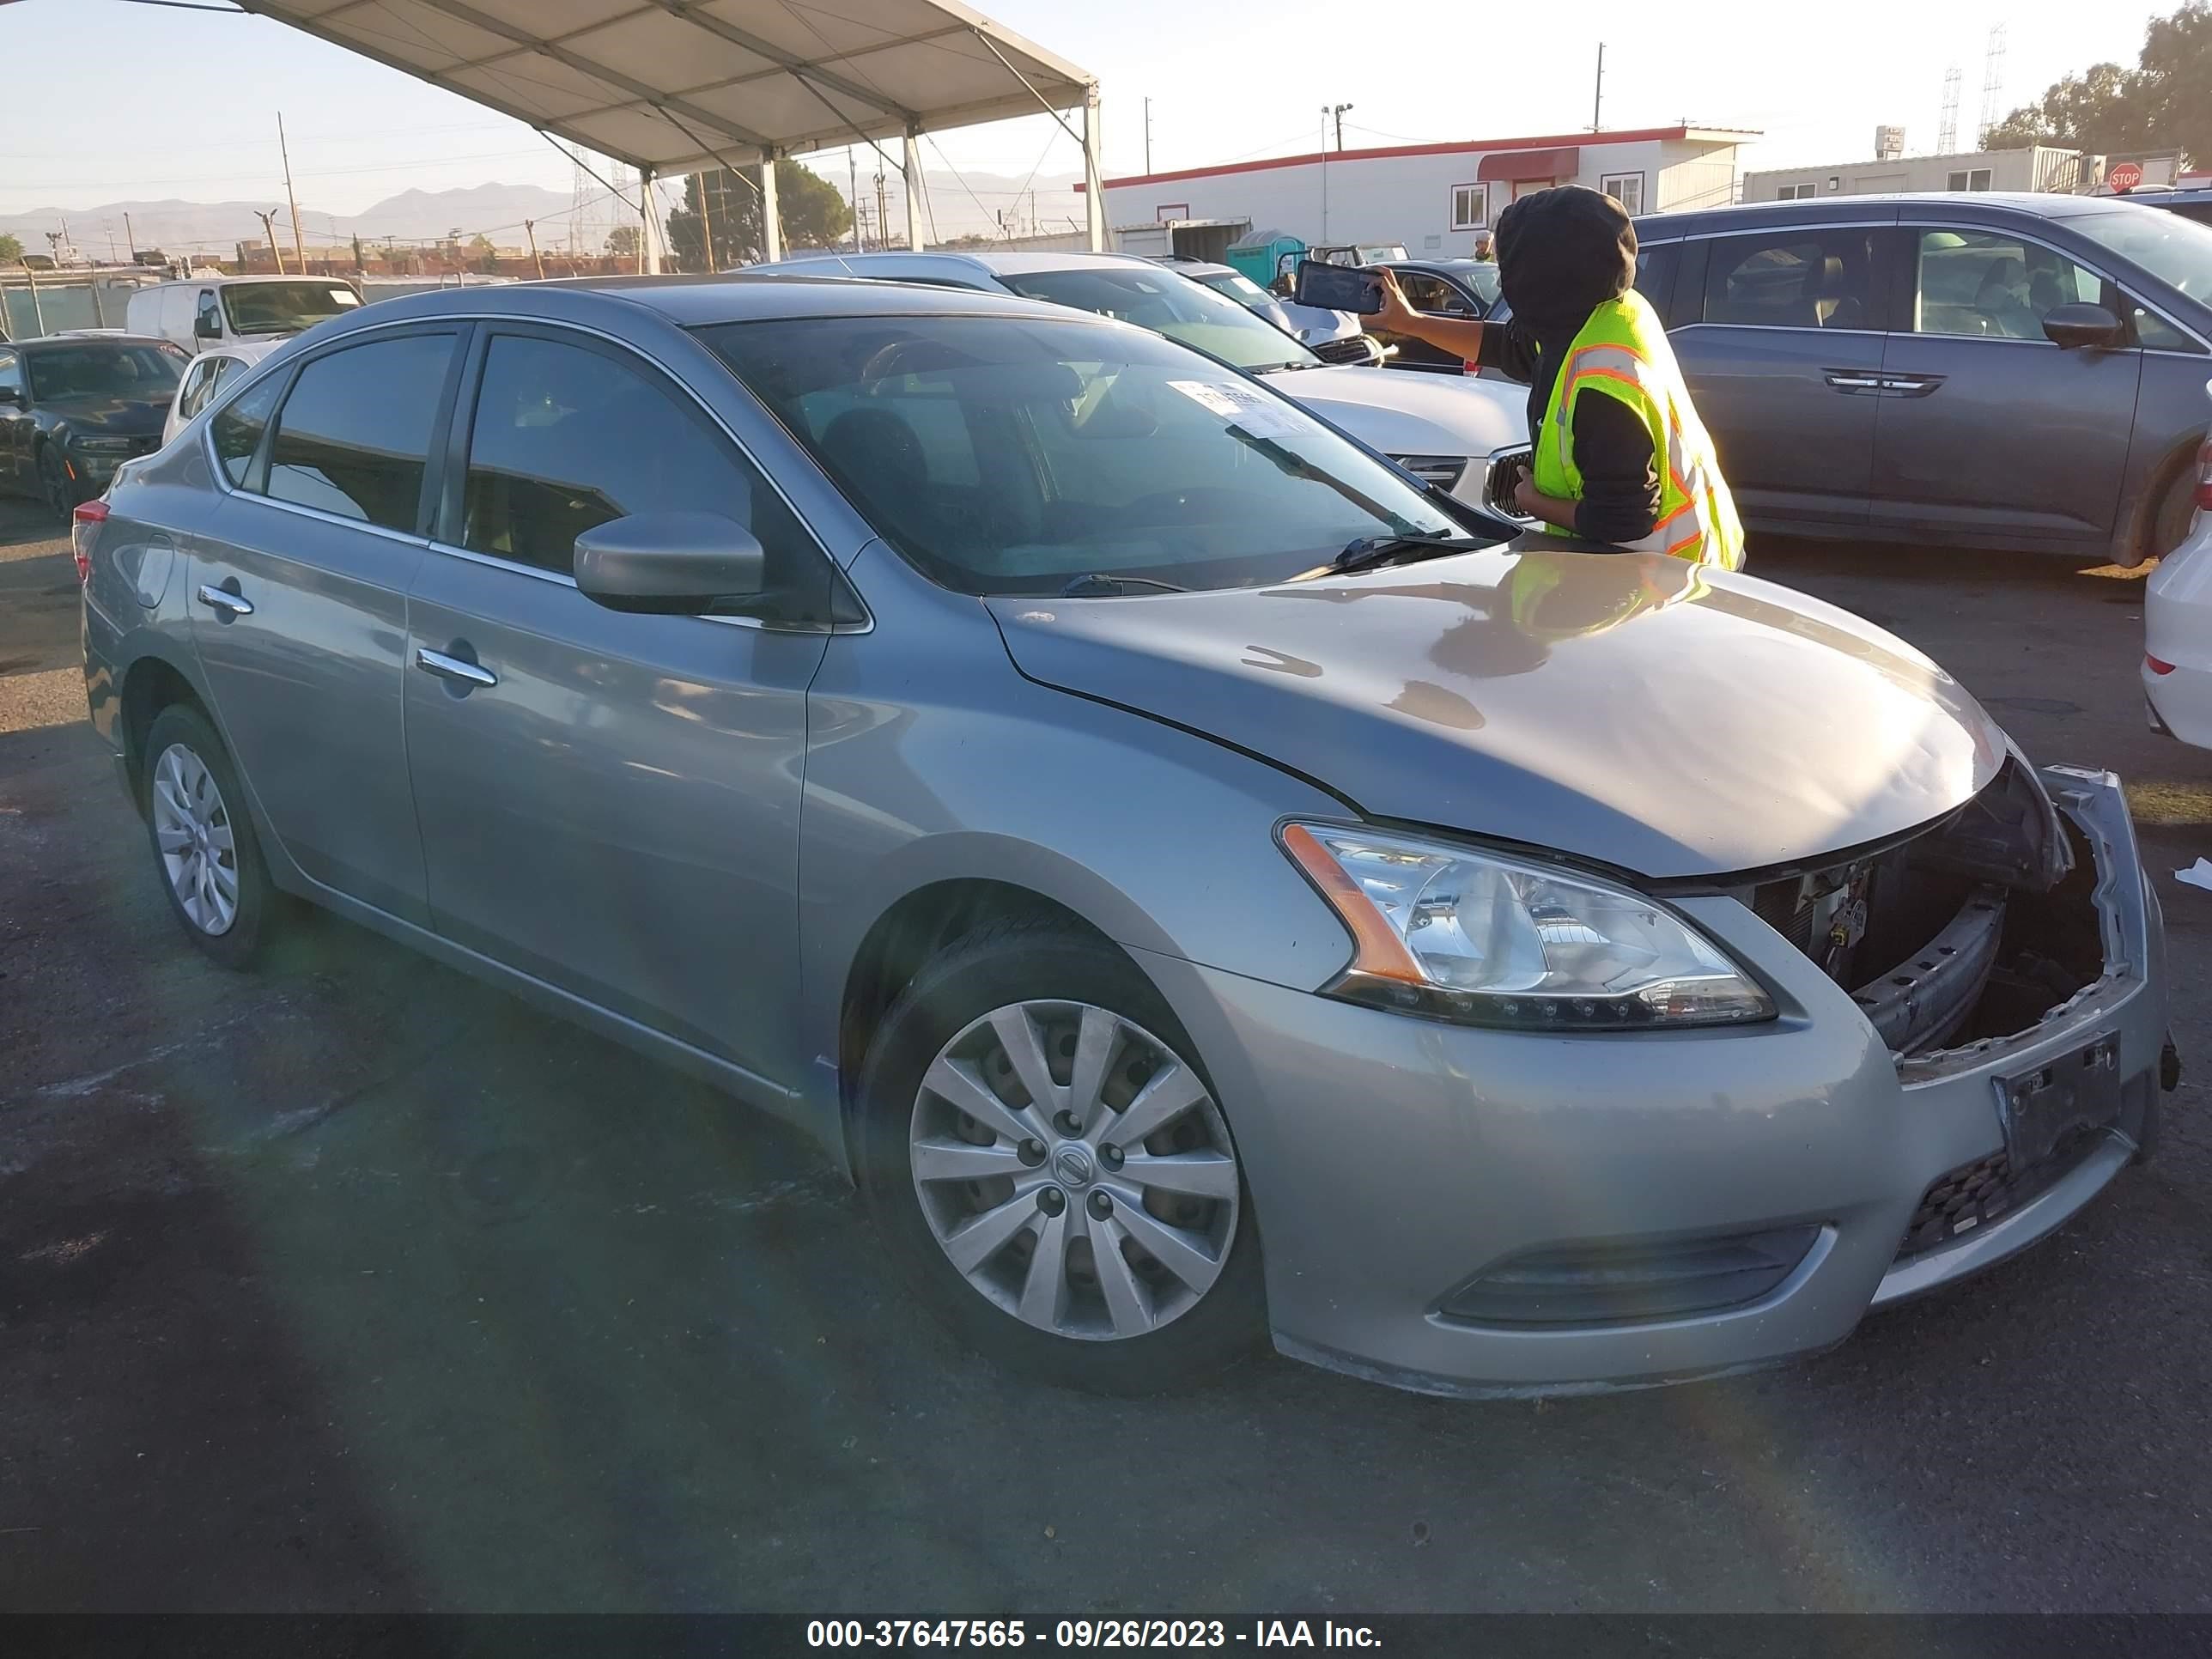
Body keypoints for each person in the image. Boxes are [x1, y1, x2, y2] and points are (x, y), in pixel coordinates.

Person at [1368, 185, 1744, 569]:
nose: (1502, 278)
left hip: (1659, 577)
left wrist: (1533, 502)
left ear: (1535, 277)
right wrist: (1409, 322)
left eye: (1507, 267)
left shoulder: (1601, 385)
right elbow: (1509, 346)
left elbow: (1625, 518)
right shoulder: (1607, 309)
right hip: (1668, 563)